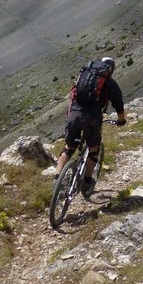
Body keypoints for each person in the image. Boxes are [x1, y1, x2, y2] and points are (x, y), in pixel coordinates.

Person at [54, 56, 126, 197]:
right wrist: (121, 120)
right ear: (110, 70)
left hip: (74, 114)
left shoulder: (83, 76)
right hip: (92, 118)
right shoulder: (109, 83)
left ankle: (57, 180)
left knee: (68, 148)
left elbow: (73, 94)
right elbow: (118, 104)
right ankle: (87, 182)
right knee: (93, 151)